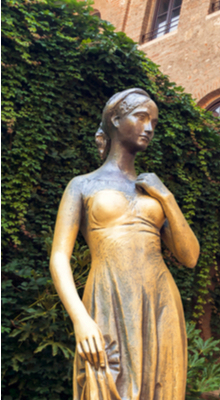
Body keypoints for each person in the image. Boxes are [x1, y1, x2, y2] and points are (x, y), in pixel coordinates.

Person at [49, 88, 200, 400]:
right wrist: (80, 318)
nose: (149, 128)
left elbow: (190, 257)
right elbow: (59, 258)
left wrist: (167, 198)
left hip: (159, 300)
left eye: (154, 123)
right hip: (108, 295)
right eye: (141, 117)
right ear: (116, 119)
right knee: (104, 382)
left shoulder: (153, 191)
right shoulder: (83, 185)